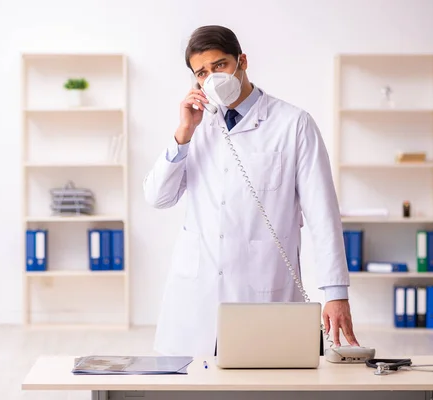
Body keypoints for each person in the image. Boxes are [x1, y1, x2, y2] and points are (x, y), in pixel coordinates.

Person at [143, 25, 359, 356]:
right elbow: (158, 197)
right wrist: (184, 132)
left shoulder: (293, 124)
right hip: (195, 298)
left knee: (264, 384)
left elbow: (323, 214)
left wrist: (336, 293)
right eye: (202, 73)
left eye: (220, 66)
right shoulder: (196, 127)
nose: (212, 78)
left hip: (263, 289)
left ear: (242, 61)